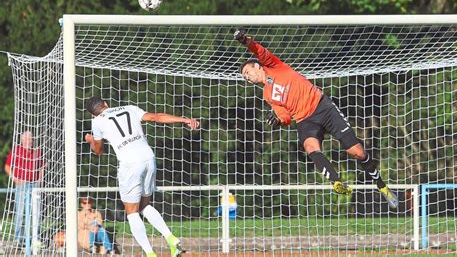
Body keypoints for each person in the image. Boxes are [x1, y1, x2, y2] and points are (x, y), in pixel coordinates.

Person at [233, 29, 399, 209]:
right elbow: (285, 116)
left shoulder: (274, 66)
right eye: (244, 77)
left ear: (258, 66)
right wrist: (278, 121)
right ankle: (337, 183)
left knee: (358, 153)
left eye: (247, 72)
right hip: (305, 120)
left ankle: (382, 187)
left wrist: (245, 41)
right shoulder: (267, 95)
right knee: (310, 147)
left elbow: (259, 51)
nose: (247, 77)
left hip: (323, 107)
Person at [84, 96, 200, 257]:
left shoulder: (97, 122)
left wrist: (90, 140)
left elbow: (98, 151)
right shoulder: (129, 108)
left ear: (93, 114)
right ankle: (171, 238)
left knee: (132, 212)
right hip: (148, 158)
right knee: (144, 206)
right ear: (106, 104)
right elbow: (156, 117)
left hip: (130, 164)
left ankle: (150, 253)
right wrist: (184, 119)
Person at [4, 131, 45, 248]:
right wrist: (15, 179)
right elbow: (7, 167)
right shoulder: (16, 151)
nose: (28, 141)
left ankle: (36, 239)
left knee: (36, 213)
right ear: (22, 140)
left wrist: (40, 180)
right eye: (26, 139)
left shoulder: (37, 152)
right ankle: (18, 239)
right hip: (22, 185)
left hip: (35, 186)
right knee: (20, 213)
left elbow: (42, 166)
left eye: (30, 139)